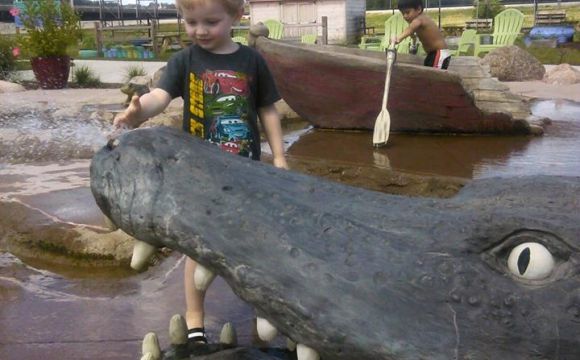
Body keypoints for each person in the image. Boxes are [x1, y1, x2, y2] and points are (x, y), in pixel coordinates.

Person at [113, 0, 288, 345]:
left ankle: (262, 308)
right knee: (196, 250)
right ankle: (195, 321)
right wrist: (137, 113)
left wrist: (279, 156)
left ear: (237, 16)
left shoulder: (251, 60)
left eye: (210, 21)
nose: (200, 30)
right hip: (199, 175)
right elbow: (160, 96)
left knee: (253, 245)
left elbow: (267, 109)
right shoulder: (185, 60)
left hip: (245, 174)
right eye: (191, 21)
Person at [391, 0, 452, 70]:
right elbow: (413, 31)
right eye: (403, 13)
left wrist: (398, 38)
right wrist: (413, 39)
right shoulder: (418, 22)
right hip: (432, 54)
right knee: (428, 73)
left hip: (439, 53)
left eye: (407, 12)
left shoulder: (420, 19)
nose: (405, 16)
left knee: (435, 75)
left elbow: (410, 29)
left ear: (419, 9)